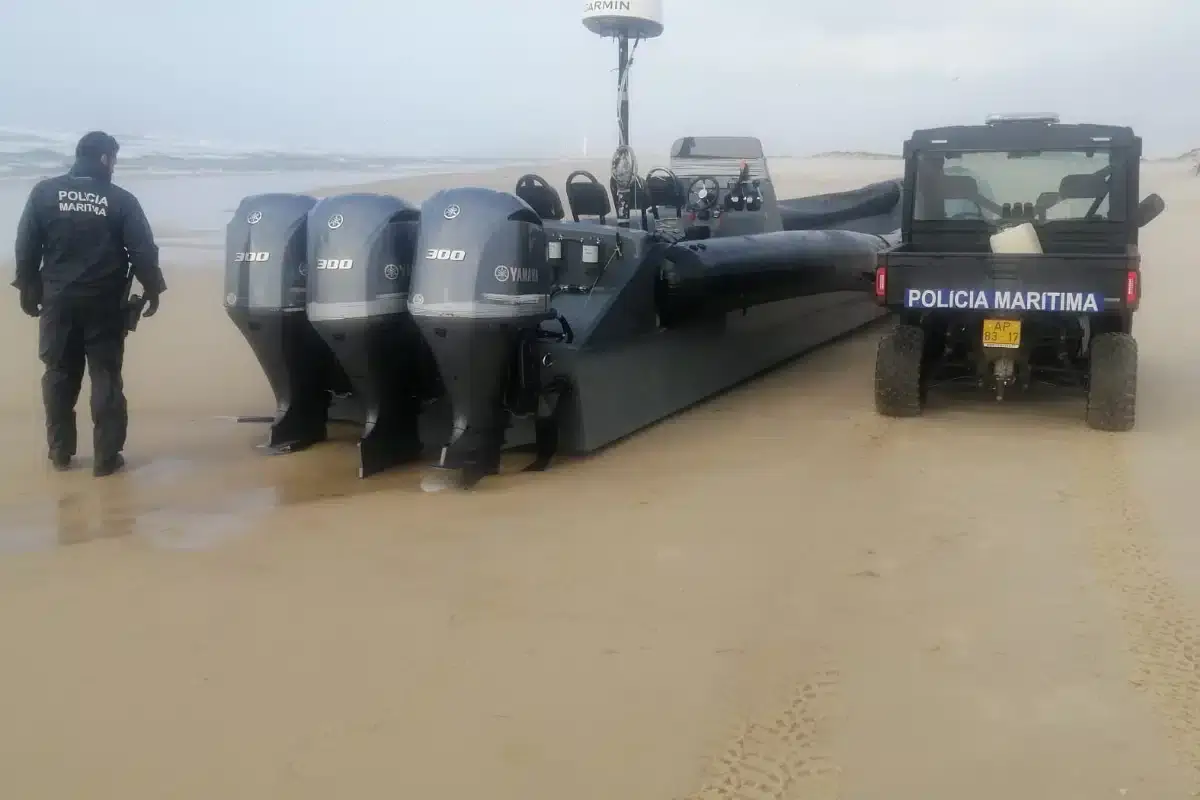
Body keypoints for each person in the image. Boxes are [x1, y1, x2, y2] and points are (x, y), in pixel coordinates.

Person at [11, 131, 166, 476]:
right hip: (105, 304)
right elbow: (142, 251)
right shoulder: (121, 200)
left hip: (59, 302)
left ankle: (61, 452)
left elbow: (26, 248)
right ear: (105, 159)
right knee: (105, 376)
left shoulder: (44, 193)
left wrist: (28, 289)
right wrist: (154, 288)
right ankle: (106, 458)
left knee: (59, 375)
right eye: (114, 159)